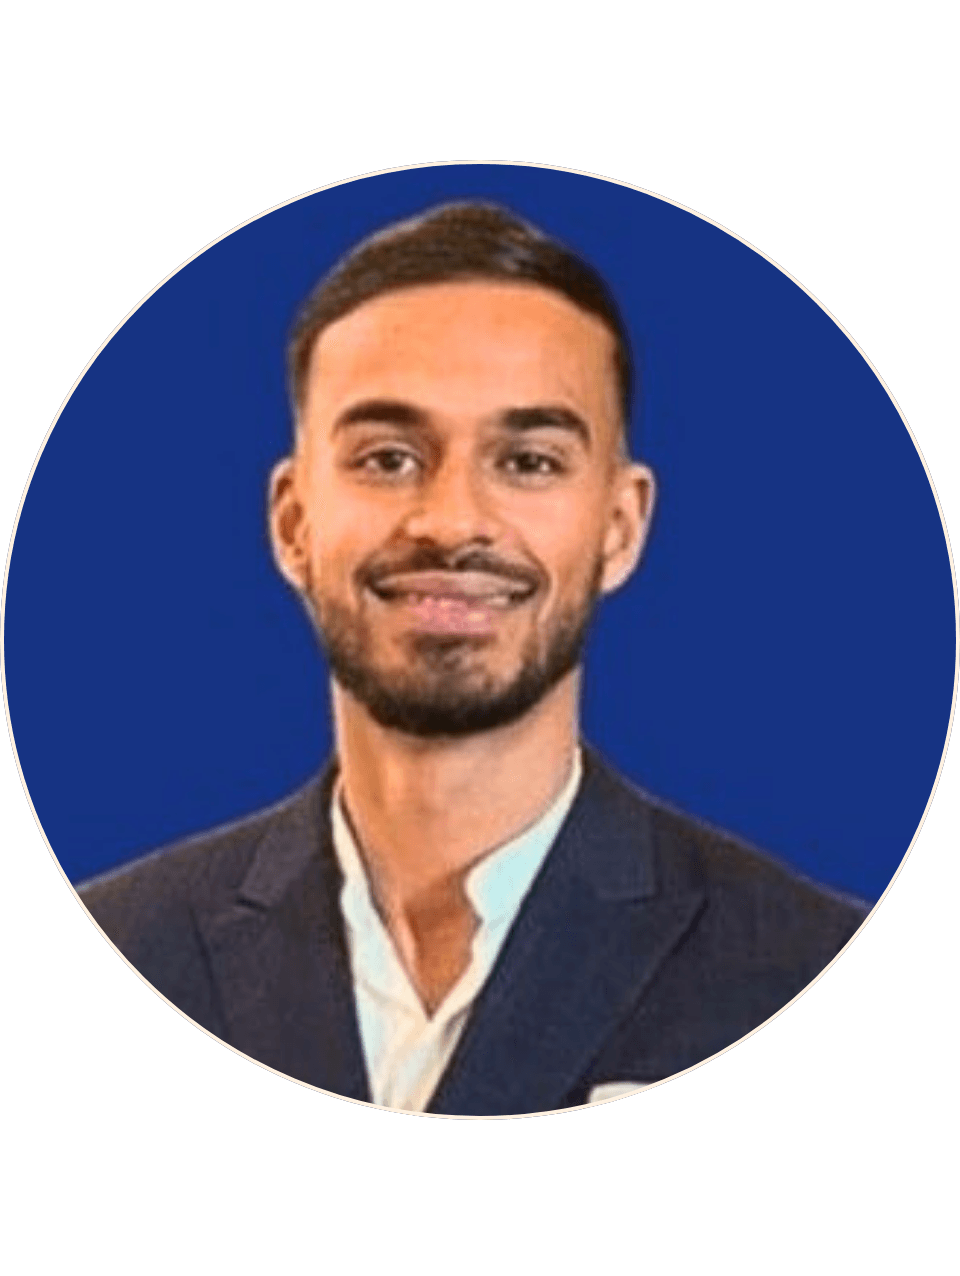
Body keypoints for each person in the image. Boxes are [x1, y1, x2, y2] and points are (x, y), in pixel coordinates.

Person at [81, 202, 868, 1115]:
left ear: (620, 527)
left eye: (528, 462)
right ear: (293, 523)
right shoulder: (111, 952)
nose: (453, 522)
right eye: (387, 458)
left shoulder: (814, 976)